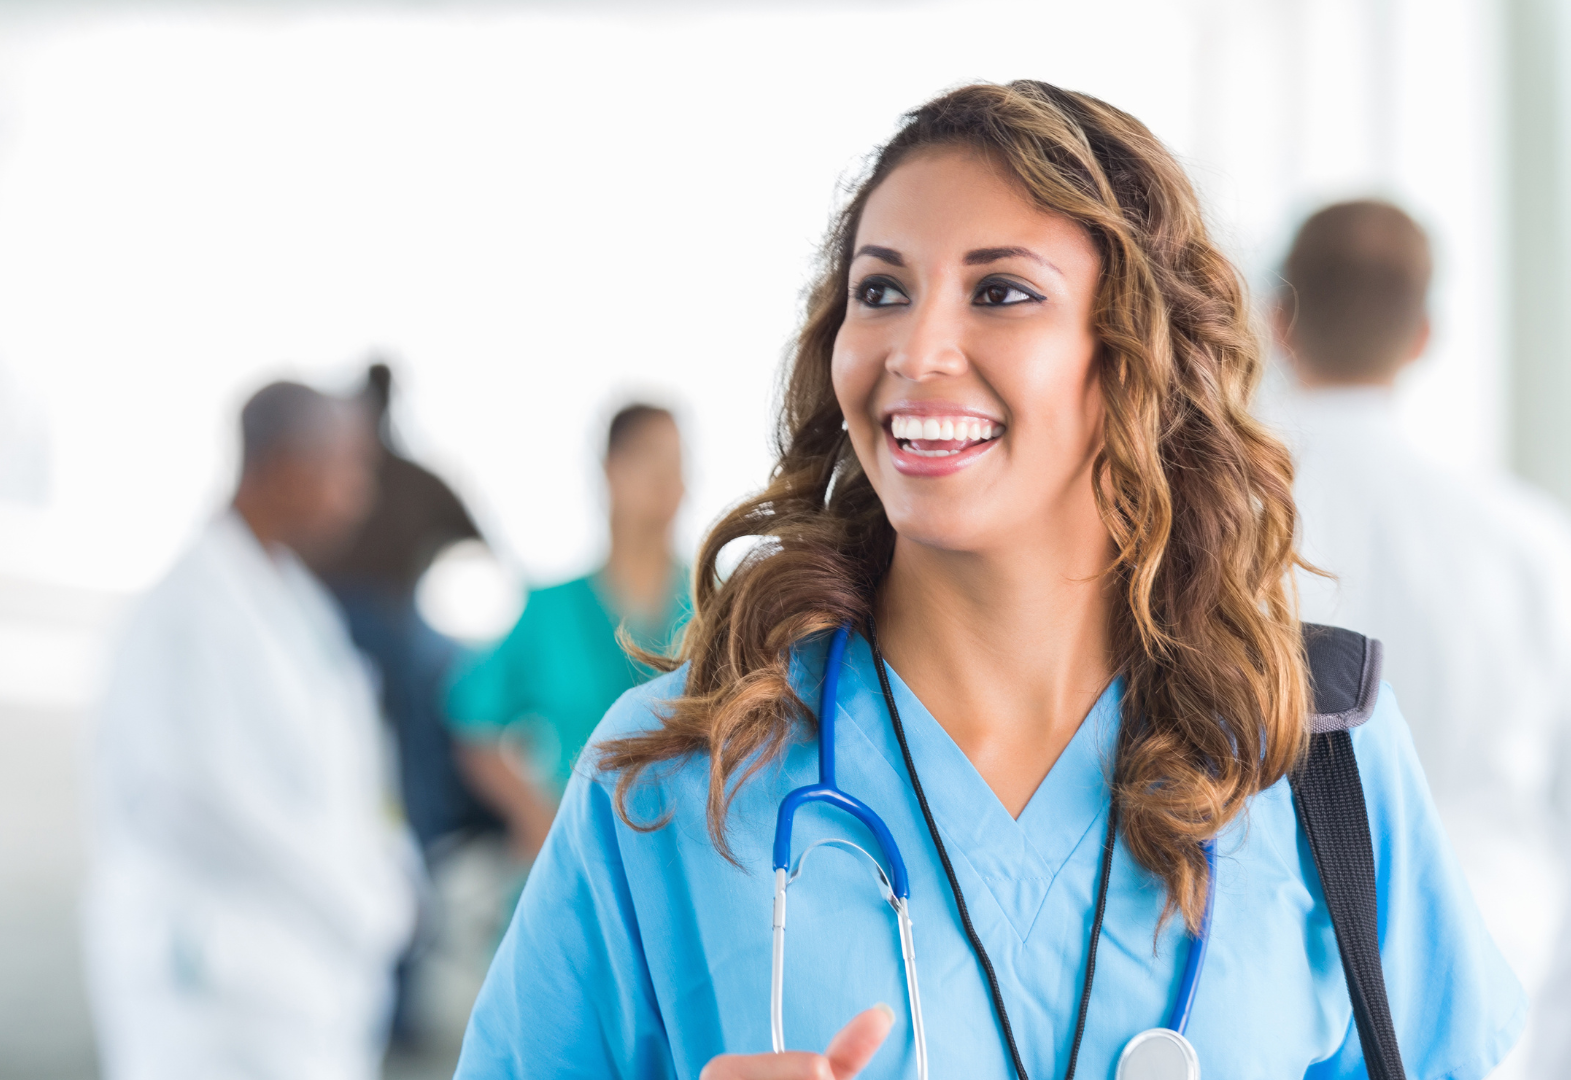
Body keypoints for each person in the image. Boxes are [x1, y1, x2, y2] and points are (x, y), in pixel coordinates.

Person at [452, 82, 1521, 1079]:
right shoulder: (673, 778)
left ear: (1135, 352)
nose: (917, 350)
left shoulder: (1312, 753)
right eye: (881, 291)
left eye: (1001, 292)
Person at [1267, 200, 1571, 1078]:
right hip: (1496, 980)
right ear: (1423, 336)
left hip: (1277, 989)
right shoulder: (1529, 545)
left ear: (1278, 322)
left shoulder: (1203, 530)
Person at [84, 381, 416, 1080]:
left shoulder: (291, 599)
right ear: (288, 467)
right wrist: (346, 893)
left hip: (293, 974)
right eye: (347, 469)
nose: (359, 496)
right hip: (213, 981)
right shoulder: (185, 613)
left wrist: (383, 873)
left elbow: (342, 771)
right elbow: (192, 797)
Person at [446, 403, 692, 861]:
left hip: (686, 855)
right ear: (610, 471)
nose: (667, 479)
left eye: (677, 463)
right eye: (649, 458)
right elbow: (472, 719)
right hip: (577, 855)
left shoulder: (716, 607)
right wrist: (534, 818)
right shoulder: (551, 610)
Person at [316, 362, 493, 853]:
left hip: (399, 616)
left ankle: (435, 823)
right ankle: (425, 826)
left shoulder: (412, 480)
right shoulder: (337, 476)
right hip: (338, 621)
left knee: (453, 676)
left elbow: (477, 539)